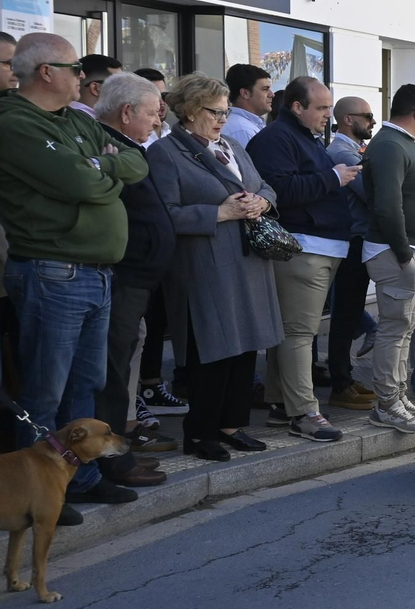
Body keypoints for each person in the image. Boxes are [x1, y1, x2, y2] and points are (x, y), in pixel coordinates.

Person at [0, 34, 150, 511]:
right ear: (46, 72)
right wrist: (99, 172)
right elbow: (78, 181)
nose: (82, 78)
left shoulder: (75, 122)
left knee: (83, 388)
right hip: (52, 272)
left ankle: (77, 482)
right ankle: (35, 496)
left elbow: (135, 160)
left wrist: (100, 168)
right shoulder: (15, 123)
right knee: (46, 391)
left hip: (95, 273)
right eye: (75, 68)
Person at [146, 73, 281, 464]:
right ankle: (200, 432)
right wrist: (218, 213)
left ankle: (230, 425)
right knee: (213, 350)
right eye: (214, 111)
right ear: (188, 111)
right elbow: (165, 215)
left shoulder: (234, 145)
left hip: (248, 261)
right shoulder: (166, 152)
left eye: (225, 111)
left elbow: (266, 187)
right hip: (205, 265)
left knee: (245, 348)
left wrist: (262, 202)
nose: (222, 118)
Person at [248, 77, 359, 442]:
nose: (330, 116)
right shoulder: (275, 139)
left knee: (292, 332)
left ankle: (282, 405)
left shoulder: (302, 137)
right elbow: (280, 191)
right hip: (303, 248)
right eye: (322, 108)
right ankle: (304, 413)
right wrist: (333, 177)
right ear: (297, 107)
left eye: (329, 107)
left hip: (319, 247)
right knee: (299, 333)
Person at [92, 74, 176, 470]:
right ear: (126, 113)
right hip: (122, 276)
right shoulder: (105, 146)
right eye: (151, 113)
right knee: (110, 366)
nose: (157, 122)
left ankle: (118, 448)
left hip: (138, 278)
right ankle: (109, 459)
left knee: (121, 359)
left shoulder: (129, 148)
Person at [363, 83, 415, 434]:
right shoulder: (391, 145)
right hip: (395, 252)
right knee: (395, 328)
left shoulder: (403, 144)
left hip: (407, 250)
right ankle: (387, 403)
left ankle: (398, 395)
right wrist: (405, 253)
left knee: (405, 328)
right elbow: (387, 206)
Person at [326, 95, 378, 411]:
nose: (372, 121)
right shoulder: (343, 152)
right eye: (367, 116)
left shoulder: (353, 150)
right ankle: (340, 383)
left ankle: (343, 378)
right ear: (348, 119)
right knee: (345, 314)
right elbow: (370, 192)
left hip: (356, 239)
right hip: (350, 240)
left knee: (349, 310)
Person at [221, 63, 273, 148]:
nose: (271, 94)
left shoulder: (245, 126)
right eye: (265, 89)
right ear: (245, 93)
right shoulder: (242, 130)